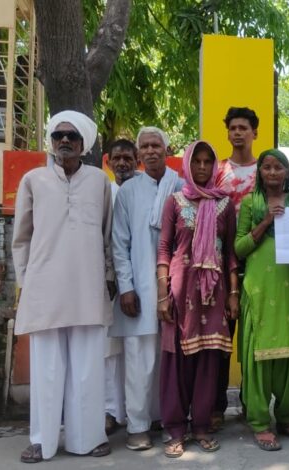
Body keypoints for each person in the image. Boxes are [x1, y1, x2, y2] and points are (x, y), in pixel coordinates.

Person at [12, 110, 115, 463]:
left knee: (88, 369)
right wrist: (26, 282)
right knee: (47, 370)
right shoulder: (33, 180)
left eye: (72, 136)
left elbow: (107, 235)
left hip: (88, 287)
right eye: (59, 136)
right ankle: (42, 440)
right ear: (51, 142)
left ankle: (88, 438)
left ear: (84, 144)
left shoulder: (99, 181)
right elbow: (21, 239)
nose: (65, 141)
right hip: (45, 290)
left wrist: (109, 278)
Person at [156, 140, 239, 458]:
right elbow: (164, 248)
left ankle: (202, 426)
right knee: (177, 361)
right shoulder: (175, 202)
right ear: (188, 164)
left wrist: (233, 294)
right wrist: (162, 295)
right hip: (181, 290)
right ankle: (175, 429)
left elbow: (230, 253)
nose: (202, 167)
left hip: (214, 292)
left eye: (208, 162)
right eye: (197, 161)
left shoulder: (224, 205)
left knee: (208, 360)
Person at [110, 127, 182, 451]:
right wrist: (126, 287)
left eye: (156, 145)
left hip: (174, 286)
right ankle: (137, 425)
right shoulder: (128, 191)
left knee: (168, 360)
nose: (151, 150)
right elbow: (119, 244)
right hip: (139, 286)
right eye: (145, 146)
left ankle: (164, 419)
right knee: (139, 360)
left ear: (167, 149)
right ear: (140, 153)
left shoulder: (179, 186)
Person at [235, 149, 289, 451]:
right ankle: (258, 422)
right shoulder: (250, 202)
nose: (272, 172)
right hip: (259, 288)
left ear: (287, 172)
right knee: (259, 354)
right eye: (266, 167)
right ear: (259, 172)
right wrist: (266, 221)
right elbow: (239, 248)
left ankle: (286, 417)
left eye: (278, 167)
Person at [212, 106, 260, 430]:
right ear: (227, 133)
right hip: (221, 265)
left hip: (257, 263)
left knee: (252, 340)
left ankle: (249, 402)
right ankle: (216, 406)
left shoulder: (265, 170)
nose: (238, 133)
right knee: (222, 339)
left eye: (244, 128)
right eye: (233, 128)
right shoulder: (217, 171)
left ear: (255, 133)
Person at [103, 138, 138, 435]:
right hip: (109, 283)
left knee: (138, 350)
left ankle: (140, 411)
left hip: (139, 281)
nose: (123, 163)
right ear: (108, 161)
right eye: (118, 158)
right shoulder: (104, 192)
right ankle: (111, 411)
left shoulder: (143, 191)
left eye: (128, 158)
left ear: (137, 160)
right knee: (110, 351)